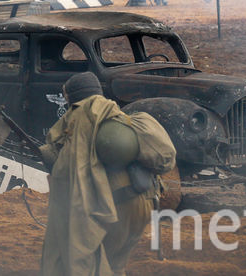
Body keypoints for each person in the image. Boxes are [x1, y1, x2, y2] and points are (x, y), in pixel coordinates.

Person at [39, 72, 176, 276]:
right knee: (116, 264)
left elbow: (67, 177)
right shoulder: (118, 117)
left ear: (73, 98)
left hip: (115, 208)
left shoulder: (79, 120)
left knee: (96, 264)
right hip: (143, 201)